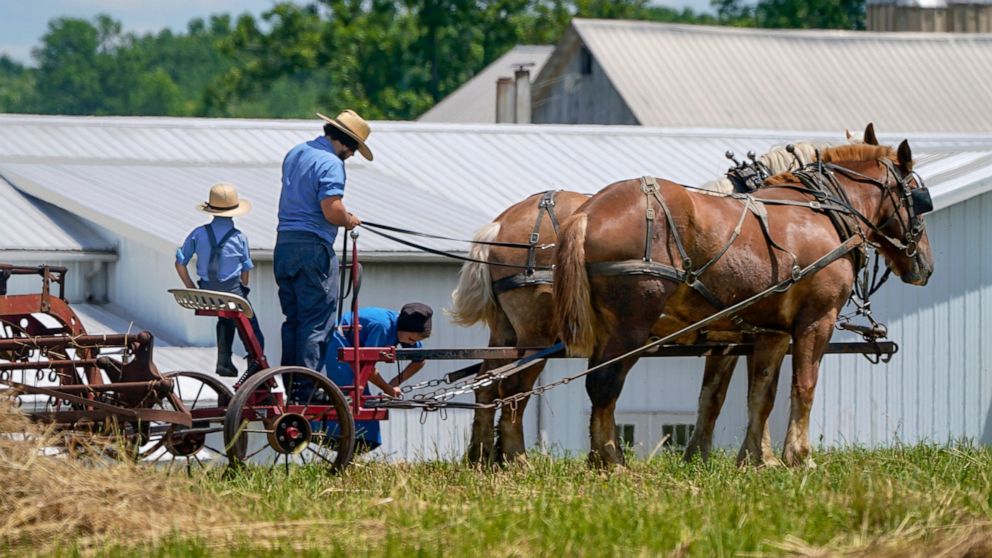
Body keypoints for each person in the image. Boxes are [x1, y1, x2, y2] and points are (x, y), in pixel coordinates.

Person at [274, 109, 371, 372]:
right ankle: (308, 383)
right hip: (313, 247)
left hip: (284, 245)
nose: (351, 156)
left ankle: (291, 380)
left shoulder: (296, 152)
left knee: (293, 319)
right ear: (346, 143)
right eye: (353, 150)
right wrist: (348, 219)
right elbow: (331, 209)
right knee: (316, 319)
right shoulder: (331, 163)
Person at [175, 182, 265, 377]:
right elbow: (246, 270)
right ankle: (255, 368)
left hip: (207, 292)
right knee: (252, 329)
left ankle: (223, 359)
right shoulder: (240, 237)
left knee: (225, 317)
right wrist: (243, 287)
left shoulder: (198, 233)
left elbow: (180, 263)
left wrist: (192, 287)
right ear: (234, 211)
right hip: (232, 293)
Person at [323, 303, 433, 452]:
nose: (412, 343)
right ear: (404, 329)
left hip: (354, 345)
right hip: (339, 339)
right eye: (411, 339)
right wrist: (388, 389)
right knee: (350, 392)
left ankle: (356, 444)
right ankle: (337, 438)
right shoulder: (382, 327)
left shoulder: (405, 331)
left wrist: (395, 382)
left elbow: (420, 360)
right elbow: (365, 367)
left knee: (361, 396)